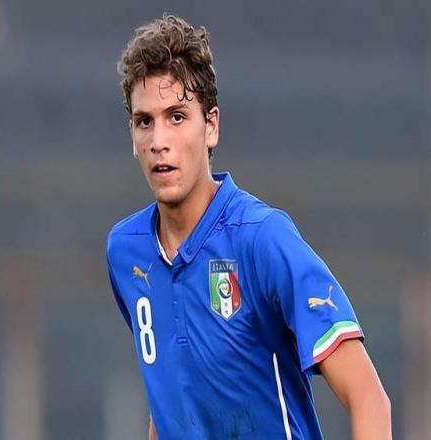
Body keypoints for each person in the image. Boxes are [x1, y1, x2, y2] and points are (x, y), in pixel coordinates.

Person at [106, 14, 391, 439]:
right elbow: (170, 393)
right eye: (145, 121)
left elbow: (370, 399)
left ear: (211, 126)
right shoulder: (126, 251)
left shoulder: (262, 238)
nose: (158, 141)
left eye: (177, 117)